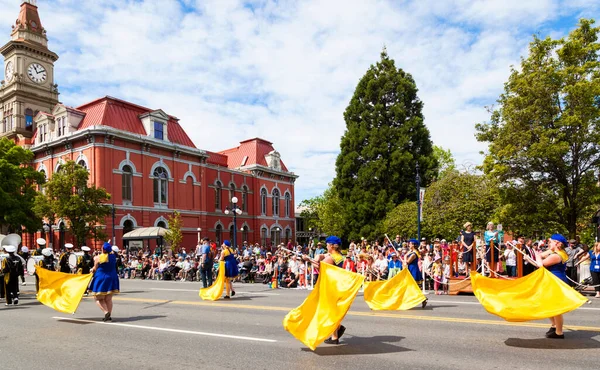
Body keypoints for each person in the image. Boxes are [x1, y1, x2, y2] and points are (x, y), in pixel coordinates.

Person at [302, 235, 346, 345]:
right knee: (332, 311)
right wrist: (317, 255)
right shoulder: (338, 255)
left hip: (330, 285)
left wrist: (308, 260)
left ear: (331, 245)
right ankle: (335, 334)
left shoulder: (331, 258)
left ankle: (336, 334)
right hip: (335, 284)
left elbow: (320, 267)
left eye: (327, 244)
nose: (326, 246)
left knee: (330, 311)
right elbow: (322, 255)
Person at [526, 234, 570, 338]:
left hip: (556, 280)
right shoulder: (554, 252)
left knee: (555, 307)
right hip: (551, 280)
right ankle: (554, 325)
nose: (548, 243)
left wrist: (534, 255)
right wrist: (536, 256)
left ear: (558, 243)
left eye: (551, 241)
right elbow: (540, 257)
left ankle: (559, 332)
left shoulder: (557, 255)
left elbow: (540, 264)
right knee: (547, 304)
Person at [89, 242, 120, 321]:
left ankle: (106, 312)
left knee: (98, 298)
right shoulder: (113, 257)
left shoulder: (98, 258)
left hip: (101, 278)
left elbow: (95, 268)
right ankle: (109, 315)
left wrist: (91, 270)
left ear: (103, 249)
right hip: (112, 277)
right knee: (108, 299)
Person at [403, 239, 427, 308]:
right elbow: (405, 256)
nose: (409, 245)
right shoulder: (411, 251)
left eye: (410, 244)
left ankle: (422, 299)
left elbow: (407, 262)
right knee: (411, 287)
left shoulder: (414, 254)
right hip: (410, 270)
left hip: (414, 271)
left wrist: (404, 259)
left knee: (415, 288)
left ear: (413, 245)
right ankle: (421, 300)